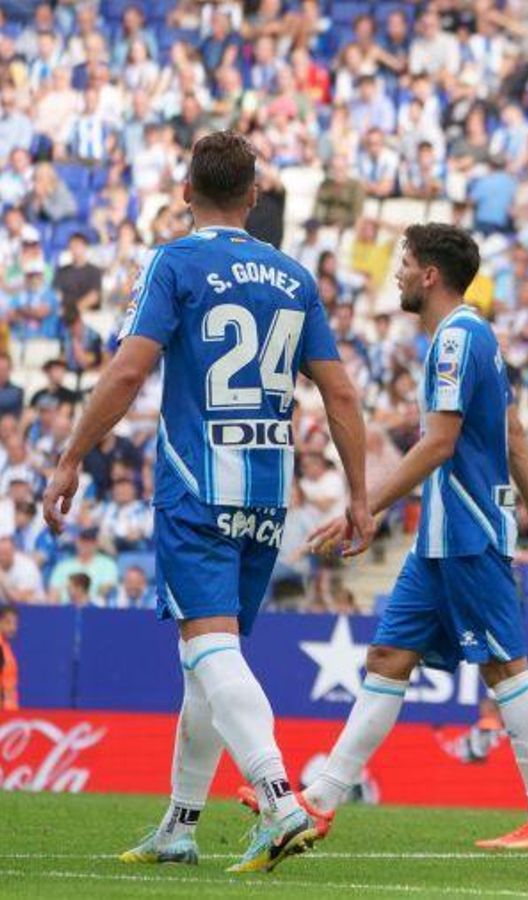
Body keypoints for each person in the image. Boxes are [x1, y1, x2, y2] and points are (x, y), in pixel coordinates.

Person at [40, 132, 371, 874]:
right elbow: (341, 391)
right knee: (208, 658)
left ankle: (280, 799)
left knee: (209, 649)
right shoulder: (293, 277)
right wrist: (358, 495)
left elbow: (128, 373)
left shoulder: (173, 261)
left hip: (197, 482)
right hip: (267, 489)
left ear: (186, 191)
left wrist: (70, 458)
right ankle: (182, 823)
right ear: (254, 196)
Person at [239, 225, 528, 853]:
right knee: (388, 658)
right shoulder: (472, 335)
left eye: (404, 263)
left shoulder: (455, 340)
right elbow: (511, 432)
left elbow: (440, 443)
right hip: (440, 539)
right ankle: (320, 800)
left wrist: (363, 504)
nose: (396, 273)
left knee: (505, 667)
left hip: (468, 533)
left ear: (429, 275)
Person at [0, 602, 16, 711]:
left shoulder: (6, 646)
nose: (13, 628)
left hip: (10, 712)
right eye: (8, 623)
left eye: (15, 623)